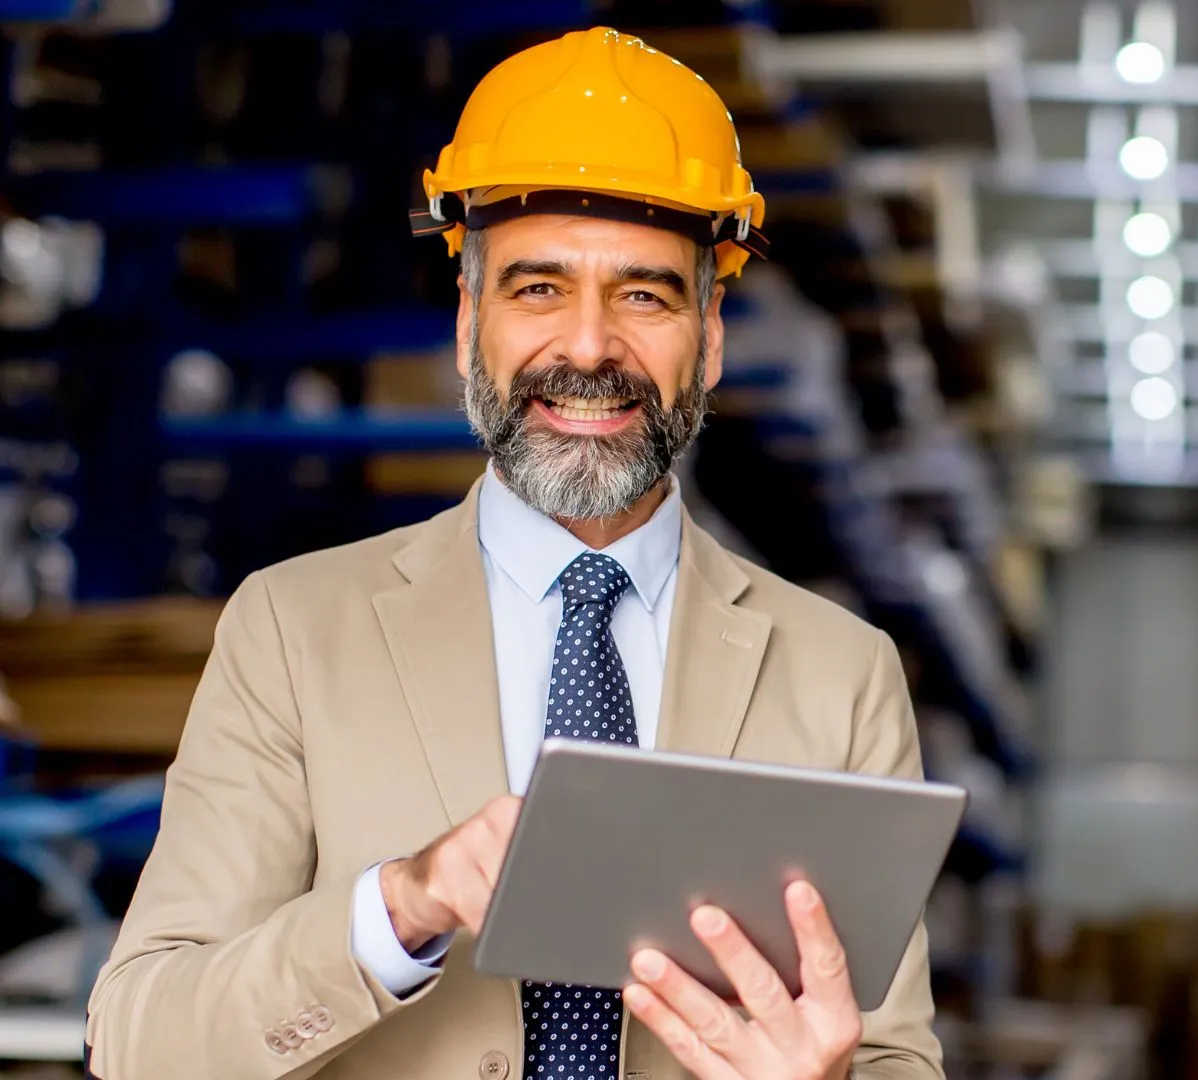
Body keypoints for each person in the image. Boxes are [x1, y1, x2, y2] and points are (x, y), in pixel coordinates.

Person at [83, 26, 943, 1080]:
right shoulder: (295, 633)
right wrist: (397, 909)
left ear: (711, 335)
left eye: (644, 294)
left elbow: (899, 1056)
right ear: (466, 324)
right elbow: (138, 1045)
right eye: (538, 288)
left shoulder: (839, 675)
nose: (587, 348)